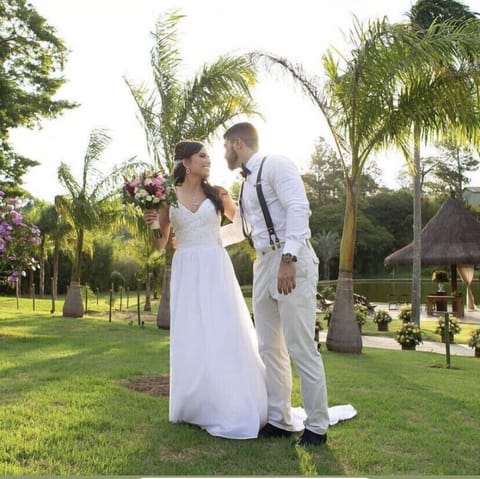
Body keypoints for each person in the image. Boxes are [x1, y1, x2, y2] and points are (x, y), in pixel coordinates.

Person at [144, 140, 267, 439]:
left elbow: (242, 227)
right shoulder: (167, 200)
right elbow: (160, 246)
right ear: (185, 162)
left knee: (223, 330)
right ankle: (195, 405)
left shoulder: (219, 194)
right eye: (201, 156)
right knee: (193, 334)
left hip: (215, 266)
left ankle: (233, 403)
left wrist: (211, 241)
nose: (208, 160)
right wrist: (151, 226)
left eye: (208, 156)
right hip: (186, 269)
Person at [223, 122, 329, 447]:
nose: (224, 152)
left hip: (289, 259)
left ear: (237, 144)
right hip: (263, 263)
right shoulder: (244, 185)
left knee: (300, 345)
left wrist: (289, 258)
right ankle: (279, 419)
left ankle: (317, 427)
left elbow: (299, 208)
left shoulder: (277, 164)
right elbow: (244, 230)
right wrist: (198, 241)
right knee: (269, 347)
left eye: (225, 146)